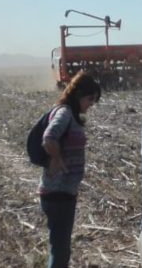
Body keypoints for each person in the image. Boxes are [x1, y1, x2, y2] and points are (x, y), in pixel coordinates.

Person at [38, 70, 100, 268]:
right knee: (60, 251)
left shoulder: (70, 114)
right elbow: (49, 137)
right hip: (58, 193)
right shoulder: (64, 113)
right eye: (91, 99)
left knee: (61, 248)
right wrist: (58, 160)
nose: (91, 104)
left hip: (63, 193)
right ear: (79, 94)